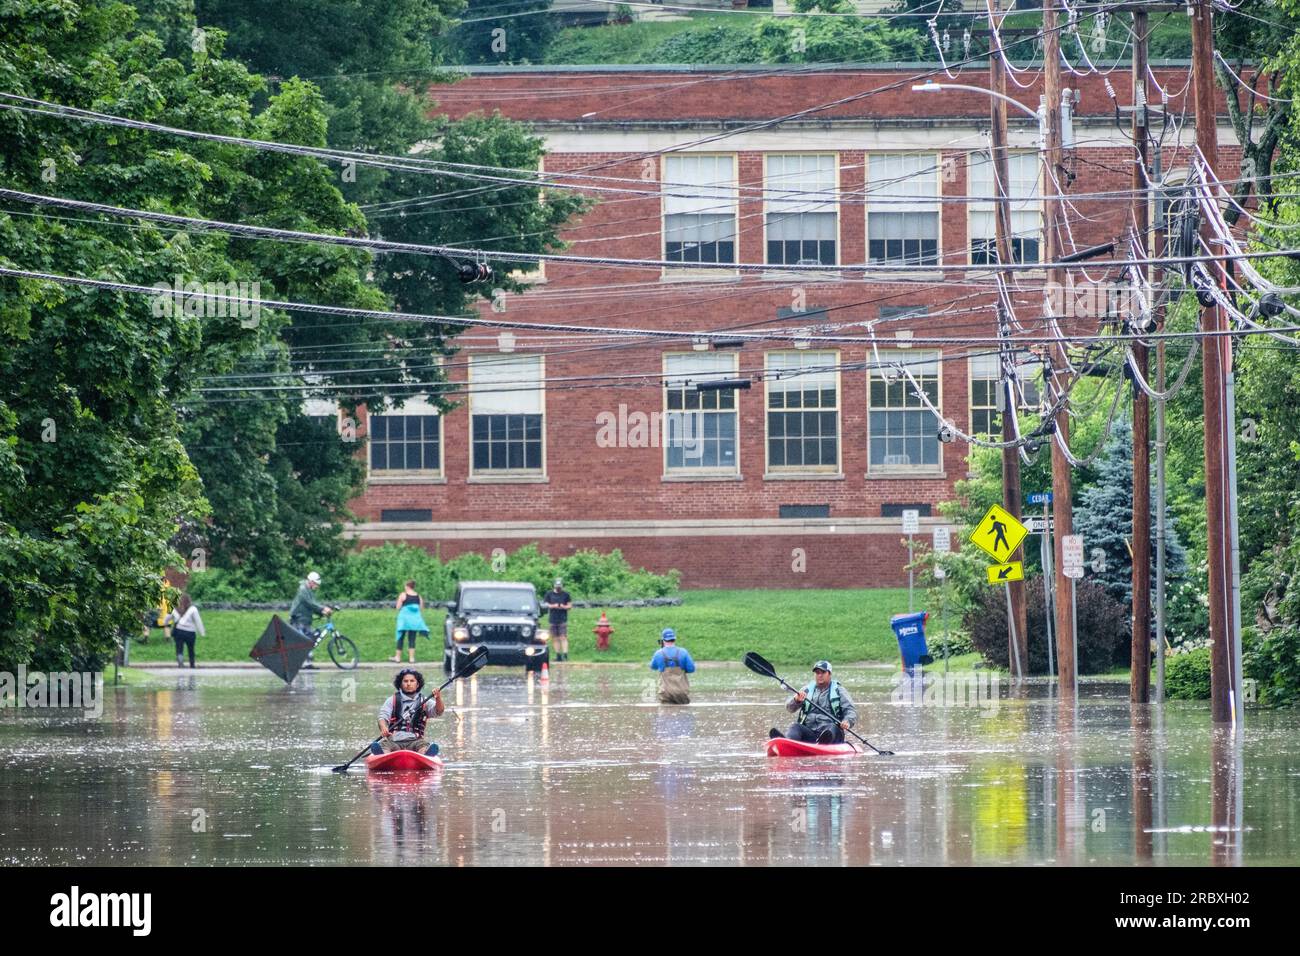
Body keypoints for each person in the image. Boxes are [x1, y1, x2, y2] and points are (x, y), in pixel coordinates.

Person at [772, 660, 858, 745]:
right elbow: (789, 709)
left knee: (832, 727)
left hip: (831, 733)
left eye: (823, 672)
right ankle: (787, 742)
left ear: (830, 674)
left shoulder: (839, 690)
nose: (820, 675)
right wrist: (796, 700)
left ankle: (823, 743)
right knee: (795, 726)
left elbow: (850, 711)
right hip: (811, 734)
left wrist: (847, 721)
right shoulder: (806, 689)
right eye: (817, 673)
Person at [371, 669, 444, 757]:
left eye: (412, 681)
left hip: (416, 740)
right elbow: (382, 717)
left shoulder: (425, 701)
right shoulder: (392, 700)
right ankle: (382, 755)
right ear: (401, 684)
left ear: (417, 684)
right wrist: (383, 728)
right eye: (405, 681)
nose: (408, 684)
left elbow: (439, 711)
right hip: (393, 740)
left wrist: (438, 698)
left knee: (422, 746)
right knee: (386, 746)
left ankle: (426, 754)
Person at [290, 571, 333, 668]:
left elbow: (311, 605)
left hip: (305, 619)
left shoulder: (309, 591)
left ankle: (308, 663)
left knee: (311, 638)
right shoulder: (303, 589)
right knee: (304, 641)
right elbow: (310, 603)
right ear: (311, 582)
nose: (317, 586)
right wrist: (323, 609)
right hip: (298, 618)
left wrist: (321, 612)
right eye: (316, 584)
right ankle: (298, 663)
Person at [649, 627, 695, 704]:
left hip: (665, 693)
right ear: (674, 639)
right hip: (681, 692)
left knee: (665, 713)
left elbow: (653, 667)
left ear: (663, 640)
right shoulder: (683, 652)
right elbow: (691, 669)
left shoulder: (658, 654)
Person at [165, 593, 205, 668]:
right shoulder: (193, 609)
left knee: (179, 648)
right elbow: (198, 621)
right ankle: (192, 664)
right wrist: (202, 632)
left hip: (179, 631)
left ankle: (180, 663)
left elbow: (167, 618)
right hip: (190, 632)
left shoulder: (174, 608)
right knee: (191, 649)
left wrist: (166, 623)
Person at [393, 580, 428, 664]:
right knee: (412, 639)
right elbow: (421, 608)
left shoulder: (403, 595)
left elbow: (398, 607)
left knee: (400, 637)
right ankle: (411, 658)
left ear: (407, 586)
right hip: (414, 621)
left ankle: (397, 657)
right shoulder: (418, 596)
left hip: (404, 620)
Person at [542, 577, 572, 662]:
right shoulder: (549, 594)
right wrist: (552, 606)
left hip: (562, 619)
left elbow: (570, 606)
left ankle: (565, 655)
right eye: (557, 586)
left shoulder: (566, 594)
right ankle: (558, 655)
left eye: (560, 586)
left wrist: (563, 607)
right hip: (552, 619)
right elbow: (545, 603)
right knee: (554, 637)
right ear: (554, 585)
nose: (558, 588)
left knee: (563, 637)